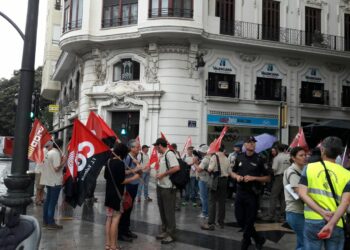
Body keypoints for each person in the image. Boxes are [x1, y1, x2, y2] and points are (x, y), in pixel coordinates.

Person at [299, 136, 350, 250]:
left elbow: (302, 194)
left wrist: (322, 212)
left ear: (322, 149)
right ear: (339, 153)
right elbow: (345, 202)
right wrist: (331, 223)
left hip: (313, 220)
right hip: (336, 222)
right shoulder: (347, 174)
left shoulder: (309, 168)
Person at [230, 136, 270, 250]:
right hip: (240, 192)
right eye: (249, 142)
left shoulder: (260, 159)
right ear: (245, 145)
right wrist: (237, 176)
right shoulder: (239, 157)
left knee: (249, 220)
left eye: (253, 142)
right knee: (240, 219)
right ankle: (258, 239)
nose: (252, 144)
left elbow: (267, 178)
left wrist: (254, 178)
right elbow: (232, 172)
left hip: (253, 194)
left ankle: (245, 242)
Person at [104, 142, 141, 250]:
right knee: (115, 220)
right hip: (117, 196)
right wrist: (134, 178)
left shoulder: (109, 161)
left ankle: (108, 244)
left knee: (109, 219)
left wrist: (132, 171)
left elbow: (108, 176)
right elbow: (122, 180)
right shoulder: (120, 163)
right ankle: (114, 246)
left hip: (109, 195)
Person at [154, 138, 180, 244]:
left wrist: (163, 174)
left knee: (169, 212)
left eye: (156, 146)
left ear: (160, 145)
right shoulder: (163, 156)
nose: (155, 148)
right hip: (161, 186)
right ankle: (165, 231)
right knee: (162, 211)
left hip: (169, 188)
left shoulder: (170, 154)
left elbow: (177, 167)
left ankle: (171, 234)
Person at [201, 145, 230, 230]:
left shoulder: (214, 156)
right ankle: (221, 222)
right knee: (222, 202)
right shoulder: (226, 158)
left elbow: (210, 169)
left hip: (216, 181)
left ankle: (211, 223)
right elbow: (229, 171)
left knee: (212, 201)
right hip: (224, 181)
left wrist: (206, 168)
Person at [118, 139, 142, 242]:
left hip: (135, 185)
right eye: (137, 147)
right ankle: (121, 232)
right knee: (126, 209)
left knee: (129, 209)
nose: (139, 148)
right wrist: (135, 170)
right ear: (131, 148)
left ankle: (126, 229)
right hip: (129, 186)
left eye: (138, 146)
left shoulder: (135, 157)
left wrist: (140, 169)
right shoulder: (127, 157)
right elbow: (122, 171)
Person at [283, 147, 306, 250]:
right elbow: (300, 193)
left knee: (302, 242)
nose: (304, 157)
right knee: (304, 243)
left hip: (299, 212)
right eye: (301, 155)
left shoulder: (302, 170)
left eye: (305, 155)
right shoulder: (292, 172)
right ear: (293, 158)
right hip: (295, 212)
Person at [40, 140, 66, 230]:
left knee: (48, 201)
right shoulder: (55, 153)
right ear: (60, 146)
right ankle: (50, 222)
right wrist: (64, 161)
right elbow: (56, 168)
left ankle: (45, 221)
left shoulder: (49, 152)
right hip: (55, 181)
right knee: (52, 202)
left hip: (49, 180)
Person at [264, 144, 290, 222]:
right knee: (283, 197)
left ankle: (271, 215)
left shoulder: (277, 158)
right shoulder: (288, 157)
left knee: (273, 196)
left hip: (278, 178)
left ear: (278, 149)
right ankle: (283, 216)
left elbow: (274, 169)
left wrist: (267, 169)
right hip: (287, 178)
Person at [194, 144, 210, 218]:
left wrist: (195, 163)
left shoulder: (206, 159)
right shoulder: (208, 158)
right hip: (206, 179)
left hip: (203, 179)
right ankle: (206, 212)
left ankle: (205, 213)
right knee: (205, 197)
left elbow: (199, 169)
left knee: (203, 197)